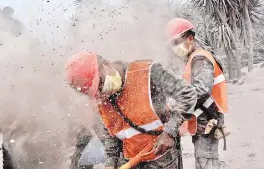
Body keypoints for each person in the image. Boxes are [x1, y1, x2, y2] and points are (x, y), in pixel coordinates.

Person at [65, 50, 197, 169]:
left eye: (101, 82)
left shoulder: (148, 74)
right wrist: (111, 162)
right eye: (96, 92)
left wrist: (169, 131)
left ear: (105, 64)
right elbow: (112, 132)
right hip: (131, 162)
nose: (102, 92)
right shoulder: (102, 100)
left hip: (163, 160)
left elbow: (188, 94)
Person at [166, 18, 229, 169]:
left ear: (190, 38)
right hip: (204, 120)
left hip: (208, 119)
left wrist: (177, 105)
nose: (175, 47)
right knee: (205, 162)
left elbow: (201, 89)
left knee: (207, 163)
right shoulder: (193, 59)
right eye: (172, 44)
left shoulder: (200, 58)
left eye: (177, 42)